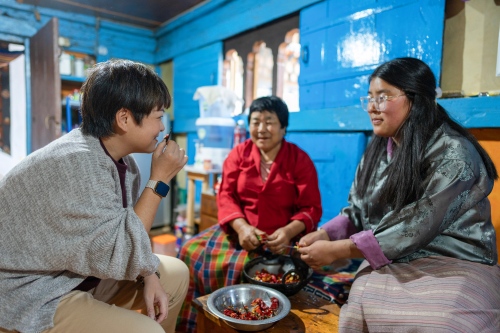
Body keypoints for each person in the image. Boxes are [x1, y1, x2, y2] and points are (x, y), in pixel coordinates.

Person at [297, 57, 500, 332]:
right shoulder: (380, 147)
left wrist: (339, 250)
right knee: (360, 309)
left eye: (383, 97)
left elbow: (416, 224)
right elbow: (359, 210)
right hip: (395, 260)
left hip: (455, 262)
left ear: (415, 99)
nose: (371, 107)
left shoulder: (455, 155)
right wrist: (325, 235)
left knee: (444, 324)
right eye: (369, 98)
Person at [0, 59, 189, 333]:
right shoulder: (78, 165)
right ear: (124, 118)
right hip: (32, 291)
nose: (162, 128)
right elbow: (119, 251)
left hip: (78, 273)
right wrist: (159, 181)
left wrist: (150, 273)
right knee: (148, 331)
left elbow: (125, 233)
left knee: (175, 274)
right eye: (158, 117)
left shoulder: (120, 160)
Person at [176, 96, 322, 332]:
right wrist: (242, 227)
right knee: (188, 251)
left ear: (283, 127)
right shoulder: (238, 154)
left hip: (283, 239)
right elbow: (226, 196)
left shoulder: (299, 160)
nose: (261, 129)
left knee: (253, 269)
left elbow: (311, 208)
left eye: (269, 121)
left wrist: (287, 232)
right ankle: (193, 325)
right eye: (255, 122)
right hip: (240, 232)